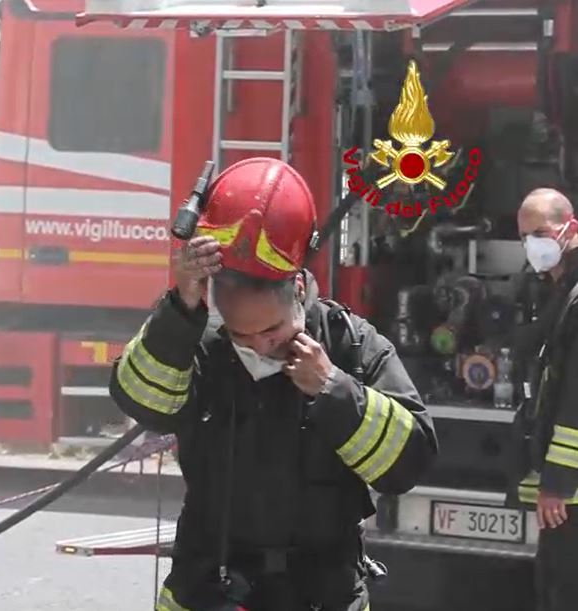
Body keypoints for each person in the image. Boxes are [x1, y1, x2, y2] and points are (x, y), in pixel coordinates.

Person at [109, 157, 438, 611]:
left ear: (299, 289)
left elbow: (411, 461)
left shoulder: (349, 344)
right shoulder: (196, 340)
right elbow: (144, 404)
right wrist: (180, 309)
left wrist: (333, 390)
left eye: (274, 331)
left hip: (321, 591)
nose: (261, 348)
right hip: (209, 585)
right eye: (243, 336)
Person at [512, 187, 578, 611]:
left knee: (562, 591)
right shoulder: (559, 290)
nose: (532, 245)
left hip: (570, 494)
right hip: (565, 493)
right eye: (523, 237)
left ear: (570, 228)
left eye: (540, 232)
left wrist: (557, 482)